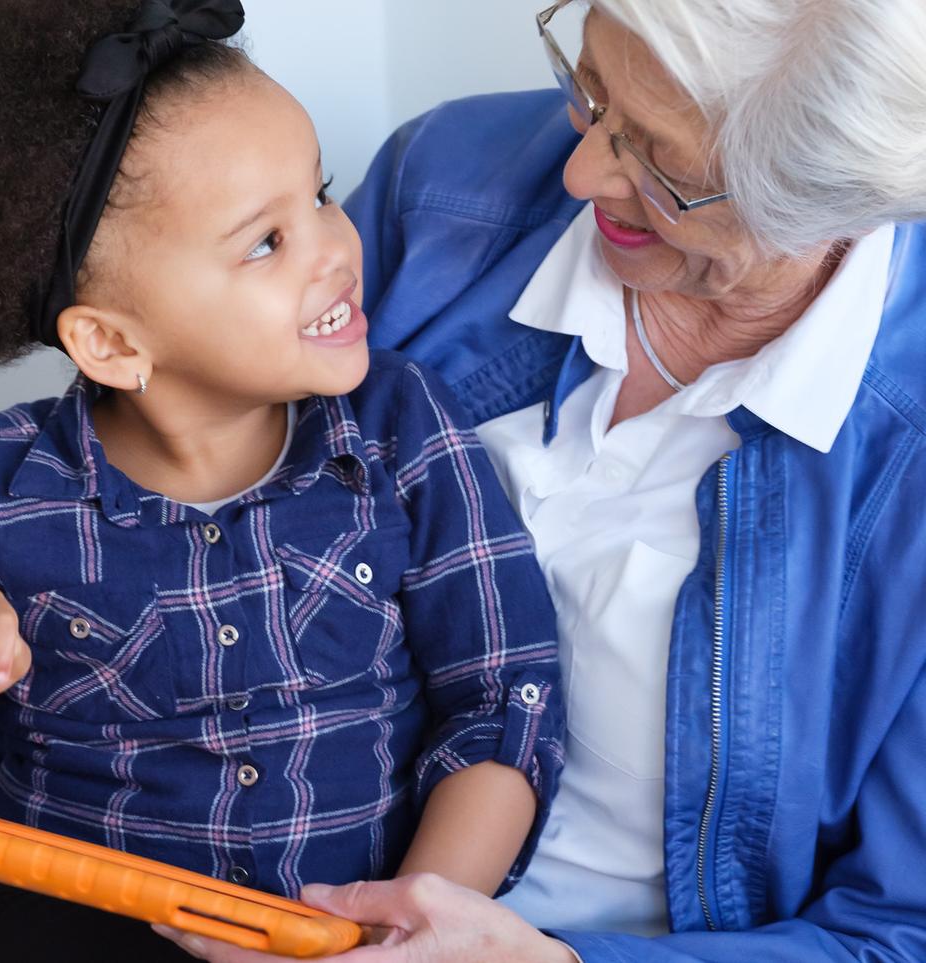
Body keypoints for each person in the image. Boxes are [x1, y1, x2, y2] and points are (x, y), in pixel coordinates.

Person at [153, 0, 926, 960]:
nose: (582, 170)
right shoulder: (435, 188)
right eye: (591, 85)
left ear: (825, 198)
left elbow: (900, 930)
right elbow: (153, 500)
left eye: (658, 157)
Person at [0, 1, 565, 959]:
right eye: (266, 242)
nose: (337, 250)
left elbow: (504, 697)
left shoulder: (403, 431)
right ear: (114, 342)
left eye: (323, 193)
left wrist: (415, 920)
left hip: (341, 934)